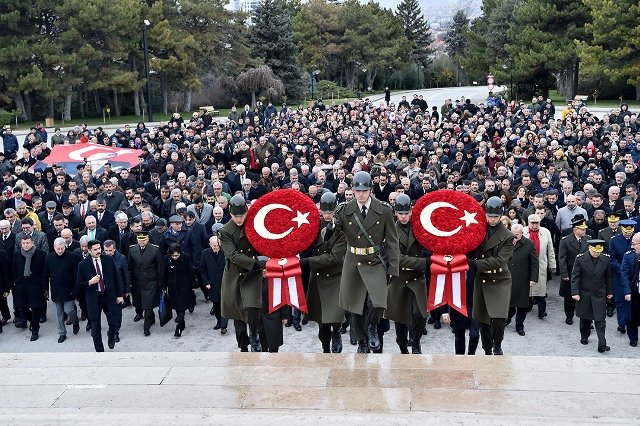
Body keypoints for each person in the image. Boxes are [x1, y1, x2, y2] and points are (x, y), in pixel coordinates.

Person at [333, 171, 400, 353]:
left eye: (364, 190)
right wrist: (332, 224)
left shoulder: (384, 209)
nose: (360, 194)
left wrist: (393, 268)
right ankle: (361, 341)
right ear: (352, 190)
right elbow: (335, 233)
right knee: (354, 306)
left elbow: (392, 241)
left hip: (375, 260)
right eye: (357, 190)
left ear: (371, 190)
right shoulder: (345, 210)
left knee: (378, 302)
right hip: (353, 260)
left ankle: (372, 328)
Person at [219, 194, 273, 352]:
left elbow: (260, 244)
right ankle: (243, 345)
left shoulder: (253, 225)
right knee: (237, 315)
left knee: (253, 308)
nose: (239, 219)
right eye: (236, 216)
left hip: (252, 275)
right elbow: (233, 255)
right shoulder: (225, 231)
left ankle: (254, 334)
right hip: (235, 275)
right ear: (230, 214)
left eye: (242, 215)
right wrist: (258, 263)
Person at [468, 196, 515, 355]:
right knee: (483, 318)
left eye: (495, 216)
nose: (492, 219)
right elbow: (471, 248)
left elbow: (500, 261)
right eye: (489, 216)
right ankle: (487, 348)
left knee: (499, 317)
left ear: (501, 215)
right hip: (482, 279)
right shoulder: (479, 230)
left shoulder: (508, 236)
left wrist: (475, 264)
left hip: (499, 279)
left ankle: (497, 344)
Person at [301, 192, 346, 353]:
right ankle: (325, 347)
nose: (327, 215)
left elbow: (334, 257)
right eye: (325, 212)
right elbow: (306, 245)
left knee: (334, 314)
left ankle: (337, 333)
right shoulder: (313, 226)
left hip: (335, 276)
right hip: (318, 277)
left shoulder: (341, 229)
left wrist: (308, 262)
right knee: (322, 320)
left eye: (330, 212)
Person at [384, 194, 429, 354]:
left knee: (420, 314)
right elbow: (397, 258)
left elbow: (430, 243)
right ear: (395, 213)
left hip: (417, 278)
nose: (403, 216)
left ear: (411, 212)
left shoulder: (419, 227)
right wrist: (425, 262)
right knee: (400, 318)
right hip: (399, 279)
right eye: (400, 213)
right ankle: (402, 345)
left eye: (406, 213)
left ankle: (416, 341)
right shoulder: (391, 231)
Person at [76, 239, 124, 352]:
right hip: (94, 298)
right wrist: (89, 282)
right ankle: (99, 351)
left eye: (99, 248)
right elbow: (78, 285)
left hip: (109, 296)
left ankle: (111, 336)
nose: (98, 251)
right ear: (89, 250)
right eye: (95, 249)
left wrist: (120, 295)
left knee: (114, 323)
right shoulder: (83, 264)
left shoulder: (108, 259)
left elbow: (117, 278)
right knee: (95, 327)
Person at [571, 239, 613, 353]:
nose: (596, 253)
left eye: (599, 252)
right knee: (585, 317)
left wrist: (610, 291)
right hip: (584, 293)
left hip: (599, 293)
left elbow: (608, 277)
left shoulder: (605, 259)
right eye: (595, 251)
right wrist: (575, 292)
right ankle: (584, 335)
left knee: (600, 319)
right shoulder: (580, 259)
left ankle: (602, 344)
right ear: (589, 248)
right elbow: (575, 276)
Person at [127, 230, 164, 336]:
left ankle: (146, 327)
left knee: (147, 305)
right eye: (140, 240)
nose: (142, 242)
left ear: (147, 239)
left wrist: (160, 283)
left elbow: (160, 267)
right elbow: (130, 268)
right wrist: (129, 283)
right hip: (137, 282)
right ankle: (151, 318)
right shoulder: (132, 250)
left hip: (151, 281)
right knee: (141, 303)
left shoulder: (155, 250)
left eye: (144, 240)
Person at [44, 237, 80, 343]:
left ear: (65, 247)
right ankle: (62, 333)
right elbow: (45, 275)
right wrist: (45, 289)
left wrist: (75, 289)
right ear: (54, 247)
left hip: (69, 289)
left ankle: (75, 322)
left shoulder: (72, 257)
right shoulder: (49, 258)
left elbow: (76, 274)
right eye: (58, 248)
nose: (60, 251)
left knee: (69, 310)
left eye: (62, 248)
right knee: (58, 314)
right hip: (56, 289)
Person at [13, 234, 47, 341]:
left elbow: (44, 272)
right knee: (22, 307)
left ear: (32, 243)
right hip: (21, 285)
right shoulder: (17, 255)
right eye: (23, 243)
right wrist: (14, 282)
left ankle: (35, 331)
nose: (25, 245)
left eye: (27, 243)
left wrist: (44, 287)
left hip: (35, 285)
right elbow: (13, 269)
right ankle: (32, 321)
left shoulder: (41, 254)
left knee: (36, 308)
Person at [507, 224, 538, 336]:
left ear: (522, 233)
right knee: (508, 304)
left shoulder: (529, 244)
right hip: (507, 279)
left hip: (523, 280)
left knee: (522, 306)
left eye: (517, 235)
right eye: (512, 234)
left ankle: (519, 326)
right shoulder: (506, 242)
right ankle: (508, 318)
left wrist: (534, 278)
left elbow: (535, 262)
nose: (514, 237)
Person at [558, 216, 590, 325]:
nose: (584, 230)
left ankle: (586, 319)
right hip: (571, 272)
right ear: (575, 229)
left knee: (585, 296)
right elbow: (562, 258)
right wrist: (564, 274)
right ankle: (569, 316)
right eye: (582, 229)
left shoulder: (589, 239)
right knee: (569, 296)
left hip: (585, 273)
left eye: (585, 229)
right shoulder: (566, 241)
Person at [523, 214, 556, 319]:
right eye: (532, 223)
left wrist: (552, 264)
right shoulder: (523, 232)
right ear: (528, 223)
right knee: (526, 287)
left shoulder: (545, 232)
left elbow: (550, 249)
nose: (534, 225)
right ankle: (527, 306)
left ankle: (542, 311)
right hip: (525, 265)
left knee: (541, 289)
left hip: (541, 264)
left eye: (536, 223)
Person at [608, 219, 636, 334]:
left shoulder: (637, 239)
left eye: (630, 230)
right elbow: (612, 257)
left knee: (634, 300)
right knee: (620, 300)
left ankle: (632, 322)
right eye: (626, 230)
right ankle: (622, 324)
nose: (628, 232)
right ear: (622, 229)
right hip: (619, 275)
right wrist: (621, 269)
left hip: (635, 275)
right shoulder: (614, 240)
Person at [162, 243, 196, 337]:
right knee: (177, 307)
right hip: (172, 287)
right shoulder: (166, 259)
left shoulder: (186, 257)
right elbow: (164, 273)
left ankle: (179, 327)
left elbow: (190, 272)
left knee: (181, 307)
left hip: (185, 287)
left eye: (176, 255)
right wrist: (164, 287)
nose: (175, 257)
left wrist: (193, 286)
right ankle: (182, 323)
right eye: (173, 255)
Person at [200, 235, 228, 334]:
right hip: (212, 284)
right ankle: (219, 321)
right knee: (216, 305)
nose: (216, 247)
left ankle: (223, 326)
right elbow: (202, 269)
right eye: (214, 245)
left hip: (224, 283)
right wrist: (206, 282)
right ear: (210, 245)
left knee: (224, 305)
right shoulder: (205, 253)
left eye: (217, 245)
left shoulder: (225, 253)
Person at [621, 233, 640, 347]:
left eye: (634, 244)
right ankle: (633, 338)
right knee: (631, 316)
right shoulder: (628, 256)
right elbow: (625, 275)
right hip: (634, 291)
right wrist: (627, 292)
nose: (632, 246)